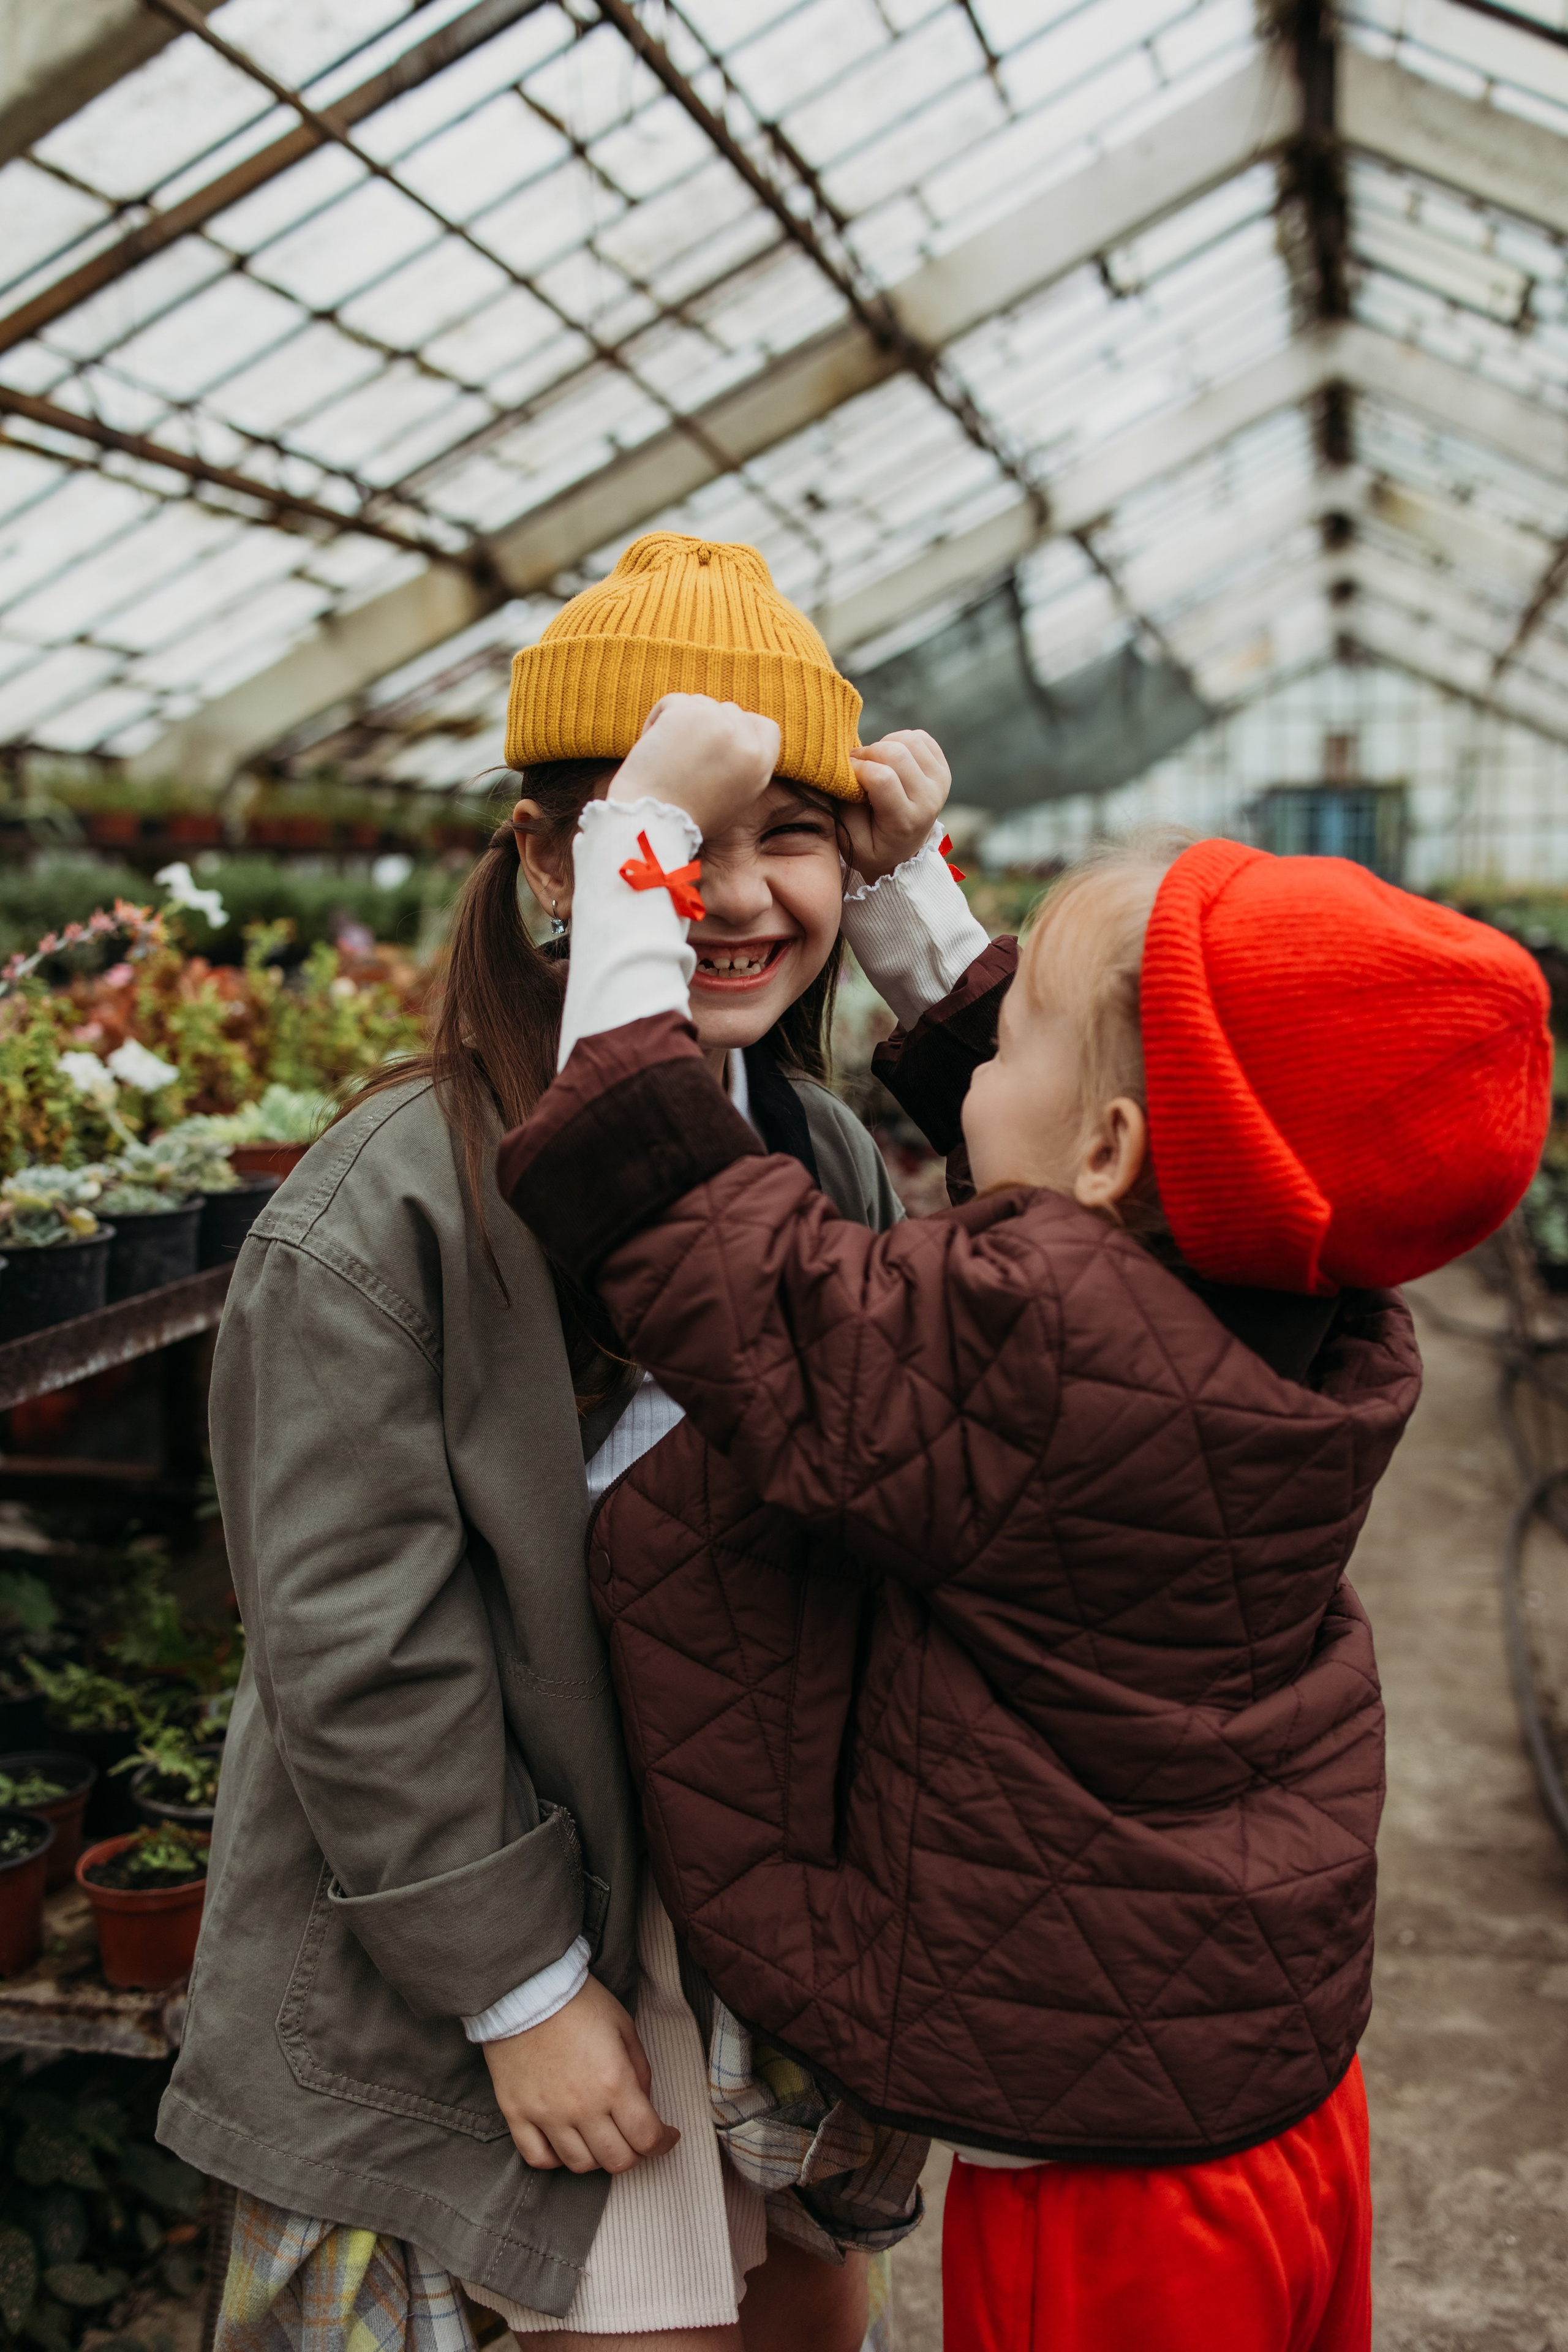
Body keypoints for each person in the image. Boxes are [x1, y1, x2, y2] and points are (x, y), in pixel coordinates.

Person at [497, 692, 1554, 2352]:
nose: (981, 1054)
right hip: (1271, 2099)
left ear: (1111, 1148)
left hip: (1120, 2200)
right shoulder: (1317, 1323)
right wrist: (914, 890)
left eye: (1024, 1039)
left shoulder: (1029, 1348)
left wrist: (642, 855)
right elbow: (1097, 1140)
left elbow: (693, 1224)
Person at [158, 538, 939, 2350]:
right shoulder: (391, 1202)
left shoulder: (818, 1153)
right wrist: (517, 1990)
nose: (736, 896)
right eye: (678, 835)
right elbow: (353, 1635)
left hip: (756, 1938)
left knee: (812, 2311)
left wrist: (926, 928)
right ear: (543, 863)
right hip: (511, 1939)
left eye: (793, 837)